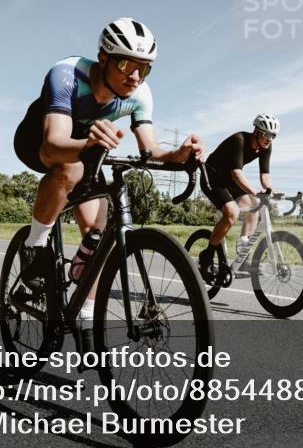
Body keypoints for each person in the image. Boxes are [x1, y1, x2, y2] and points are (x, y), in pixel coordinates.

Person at [12, 17, 204, 324]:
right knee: (70, 168)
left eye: (144, 68)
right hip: (39, 140)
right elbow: (53, 145)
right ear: (103, 57)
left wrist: (178, 155)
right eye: (127, 65)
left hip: (88, 149)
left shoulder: (140, 94)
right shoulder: (67, 73)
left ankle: (86, 318)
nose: (136, 77)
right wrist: (88, 143)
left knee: (97, 234)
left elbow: (150, 150)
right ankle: (34, 245)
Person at [198, 114, 279, 278]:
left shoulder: (266, 147)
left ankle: (242, 255)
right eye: (266, 134)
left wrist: (269, 189)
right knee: (232, 212)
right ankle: (207, 256)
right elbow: (237, 174)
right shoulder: (239, 140)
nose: (269, 139)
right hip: (212, 176)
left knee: (254, 205)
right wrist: (255, 192)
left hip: (228, 179)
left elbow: (264, 176)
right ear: (256, 131)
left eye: (273, 136)